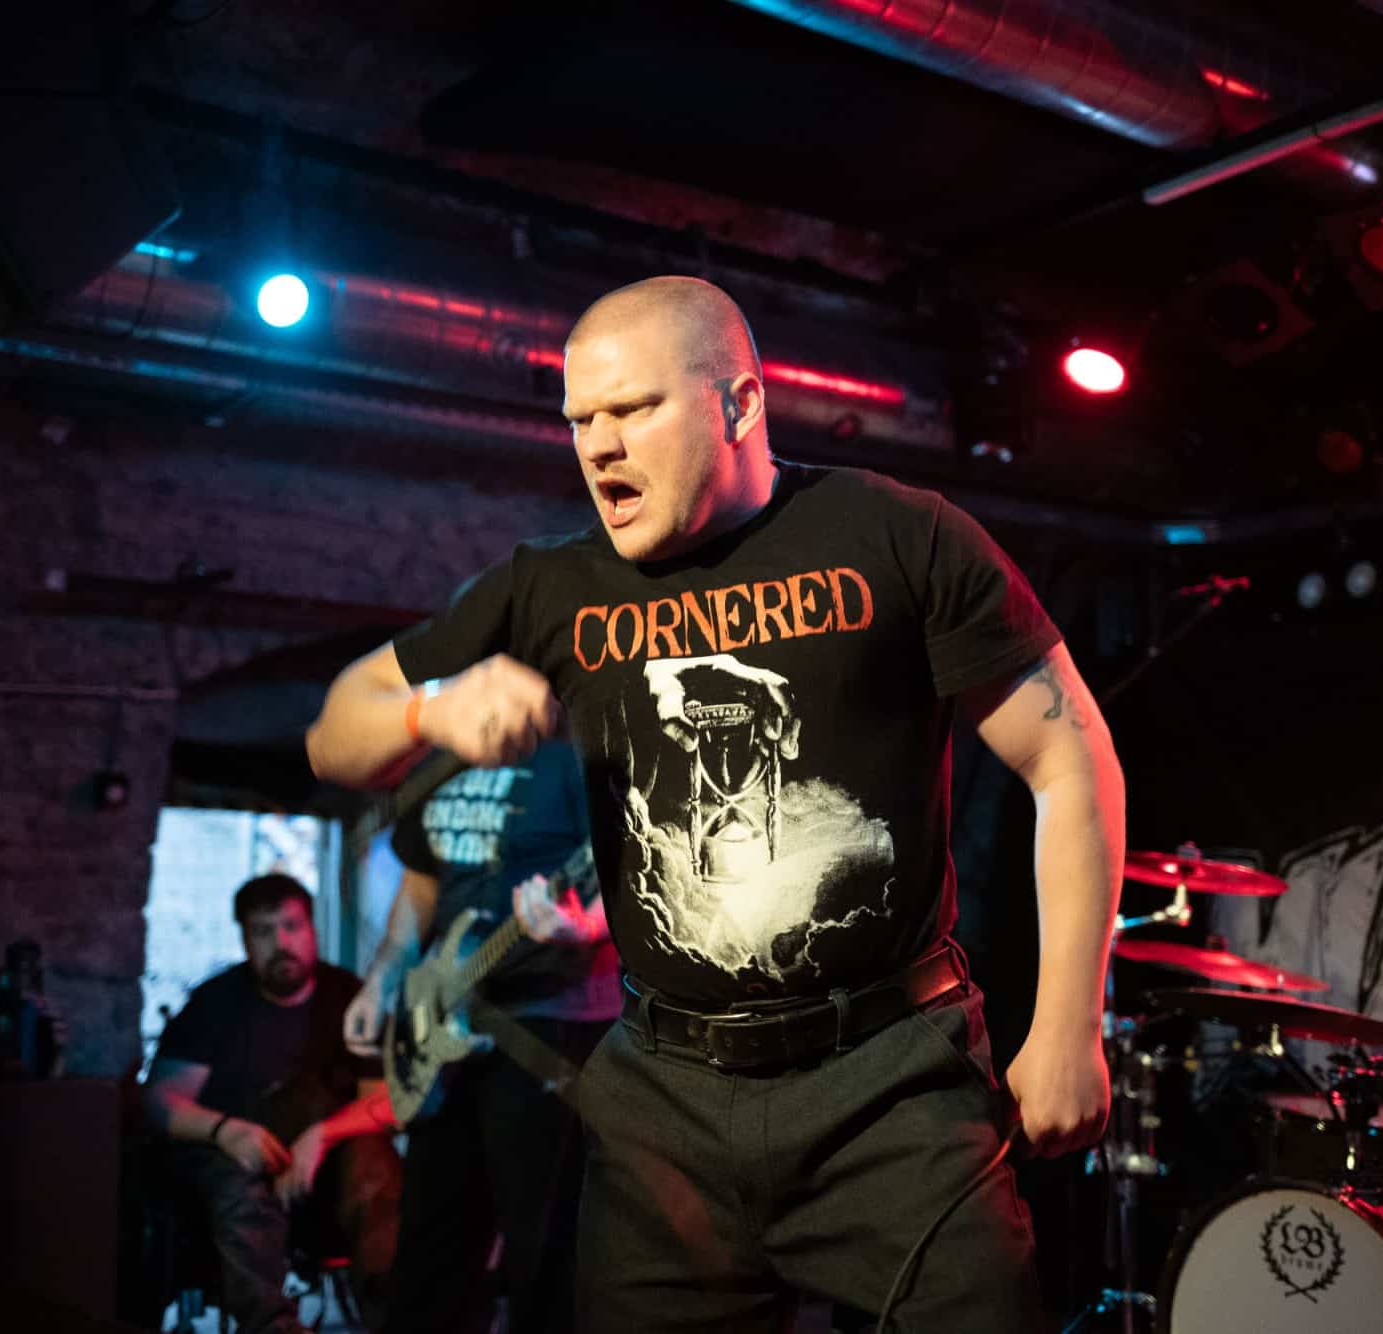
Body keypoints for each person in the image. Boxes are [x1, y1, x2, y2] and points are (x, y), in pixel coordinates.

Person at [305, 276, 1123, 1331]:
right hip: (663, 1101)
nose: (599, 446)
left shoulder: (895, 535)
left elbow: (1069, 756)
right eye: (579, 421)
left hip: (891, 1086)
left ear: (738, 404)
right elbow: (337, 729)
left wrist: (1067, 1023)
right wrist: (431, 710)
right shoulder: (550, 584)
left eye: (632, 409)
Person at [344, 739, 620, 1332]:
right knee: (430, 1245)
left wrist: (584, 927)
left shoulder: (582, 753)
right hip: (442, 1019)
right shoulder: (443, 755)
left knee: (544, 1253)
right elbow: (421, 885)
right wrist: (381, 979)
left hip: (549, 1025)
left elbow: (630, 870)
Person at [145, 875, 402, 1334]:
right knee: (238, 1187)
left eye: (292, 926)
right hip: (237, 1154)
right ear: (244, 939)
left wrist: (323, 1136)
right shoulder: (215, 1003)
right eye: (263, 931)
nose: (281, 943)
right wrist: (226, 1131)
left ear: (312, 929)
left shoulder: (351, 998)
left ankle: (394, 1320)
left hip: (331, 1163)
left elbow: (385, 1102)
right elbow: (162, 1099)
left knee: (376, 1171)